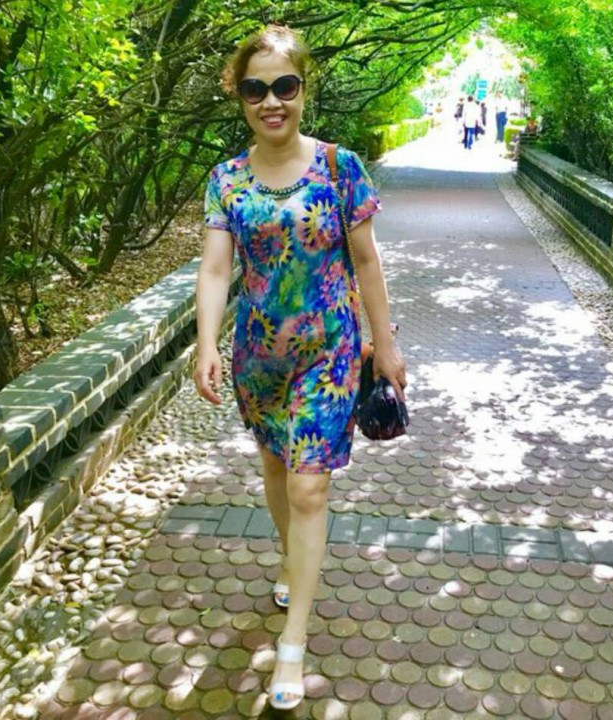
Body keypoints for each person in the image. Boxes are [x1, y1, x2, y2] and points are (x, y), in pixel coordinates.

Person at [194, 24, 407, 711]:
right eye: (255, 89)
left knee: (309, 487)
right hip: (258, 357)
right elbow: (216, 269)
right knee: (276, 469)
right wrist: (206, 344)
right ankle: (292, 560)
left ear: (304, 88)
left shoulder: (341, 168)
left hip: (330, 354)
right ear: (240, 97)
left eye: (284, 86)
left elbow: (367, 260)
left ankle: (293, 642)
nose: (271, 101)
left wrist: (386, 345)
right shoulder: (226, 179)